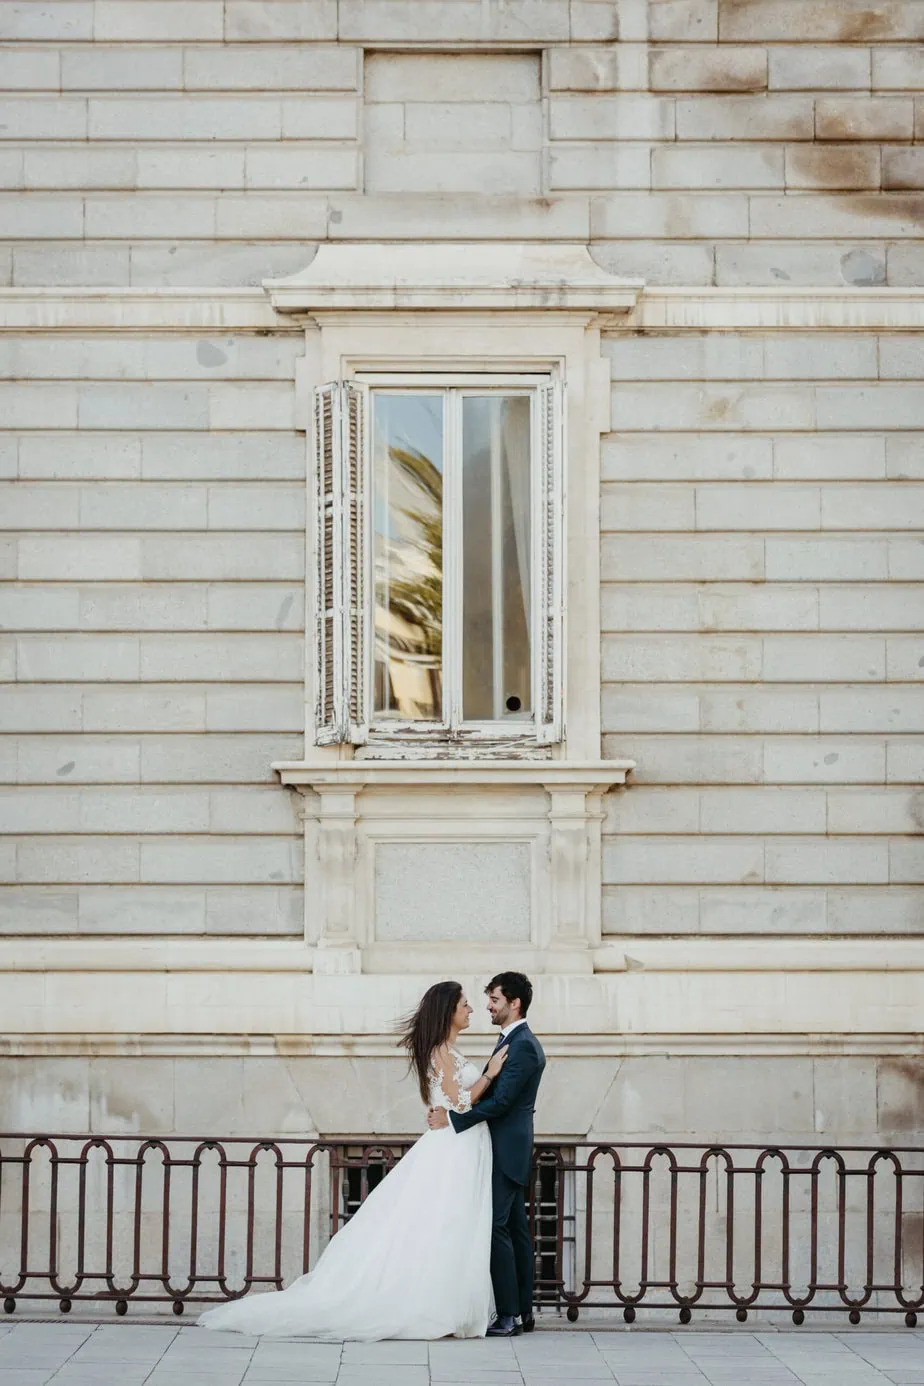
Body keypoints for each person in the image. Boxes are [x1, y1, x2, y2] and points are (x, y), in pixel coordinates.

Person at [198, 980, 509, 1340]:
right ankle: (435, 1304)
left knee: (454, 1222)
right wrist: (490, 1073)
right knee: (446, 1220)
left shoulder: (450, 1051)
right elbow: (459, 1102)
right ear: (448, 1012)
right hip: (454, 1148)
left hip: (464, 1144)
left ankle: (450, 1302)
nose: (471, 1010)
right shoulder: (441, 1051)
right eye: (465, 1005)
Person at [428, 971, 546, 1338]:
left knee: (497, 1228)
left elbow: (502, 1102)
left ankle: (509, 1315)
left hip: (505, 1146)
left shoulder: (522, 1043)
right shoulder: (512, 1039)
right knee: (514, 1228)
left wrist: (453, 1119)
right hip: (499, 1146)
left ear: (515, 1003)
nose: (487, 1007)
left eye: (494, 1000)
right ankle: (521, 1313)